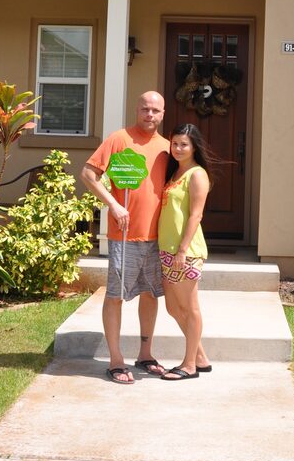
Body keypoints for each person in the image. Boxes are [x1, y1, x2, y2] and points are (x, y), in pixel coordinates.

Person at [81, 91, 169, 385]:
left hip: (156, 237)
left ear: (163, 113)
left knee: (150, 293)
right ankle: (116, 359)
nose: (150, 115)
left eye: (155, 110)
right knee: (116, 296)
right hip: (124, 235)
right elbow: (88, 174)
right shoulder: (119, 139)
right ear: (137, 109)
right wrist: (114, 204)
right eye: (145, 109)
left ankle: (146, 353)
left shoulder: (167, 148)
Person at [157, 123, 213, 381]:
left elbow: (196, 214)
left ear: (194, 147)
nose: (178, 148)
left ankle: (190, 365)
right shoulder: (175, 173)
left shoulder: (197, 174)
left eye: (184, 144)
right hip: (167, 248)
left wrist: (181, 250)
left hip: (186, 251)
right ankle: (200, 357)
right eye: (175, 143)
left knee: (190, 309)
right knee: (172, 307)